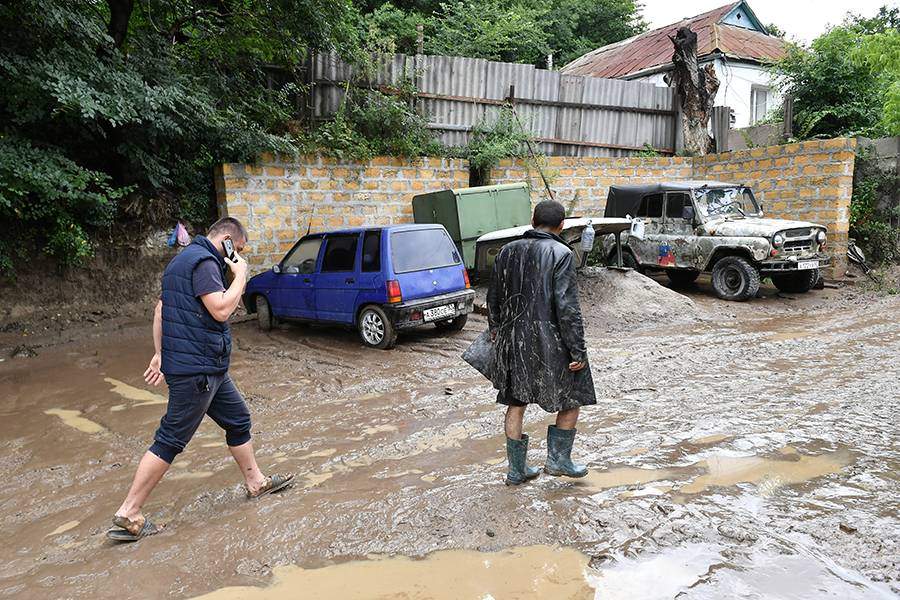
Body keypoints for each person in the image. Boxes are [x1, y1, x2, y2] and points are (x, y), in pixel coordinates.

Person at [108, 217, 293, 541]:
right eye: (236, 249)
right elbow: (220, 310)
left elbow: (161, 311)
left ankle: (256, 482)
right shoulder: (206, 262)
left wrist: (160, 353)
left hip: (209, 369)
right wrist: (241, 274)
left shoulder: (180, 262)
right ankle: (129, 511)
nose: (235, 255)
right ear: (226, 240)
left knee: (238, 419)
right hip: (198, 372)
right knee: (170, 439)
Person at [486, 200, 596, 486]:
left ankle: (516, 470)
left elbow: (493, 296)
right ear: (562, 225)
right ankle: (558, 460)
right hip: (550, 339)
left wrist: (495, 329)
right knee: (573, 394)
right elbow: (567, 307)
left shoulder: (506, 251)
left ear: (533, 220)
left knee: (516, 400)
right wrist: (578, 350)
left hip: (512, 337)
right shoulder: (562, 253)